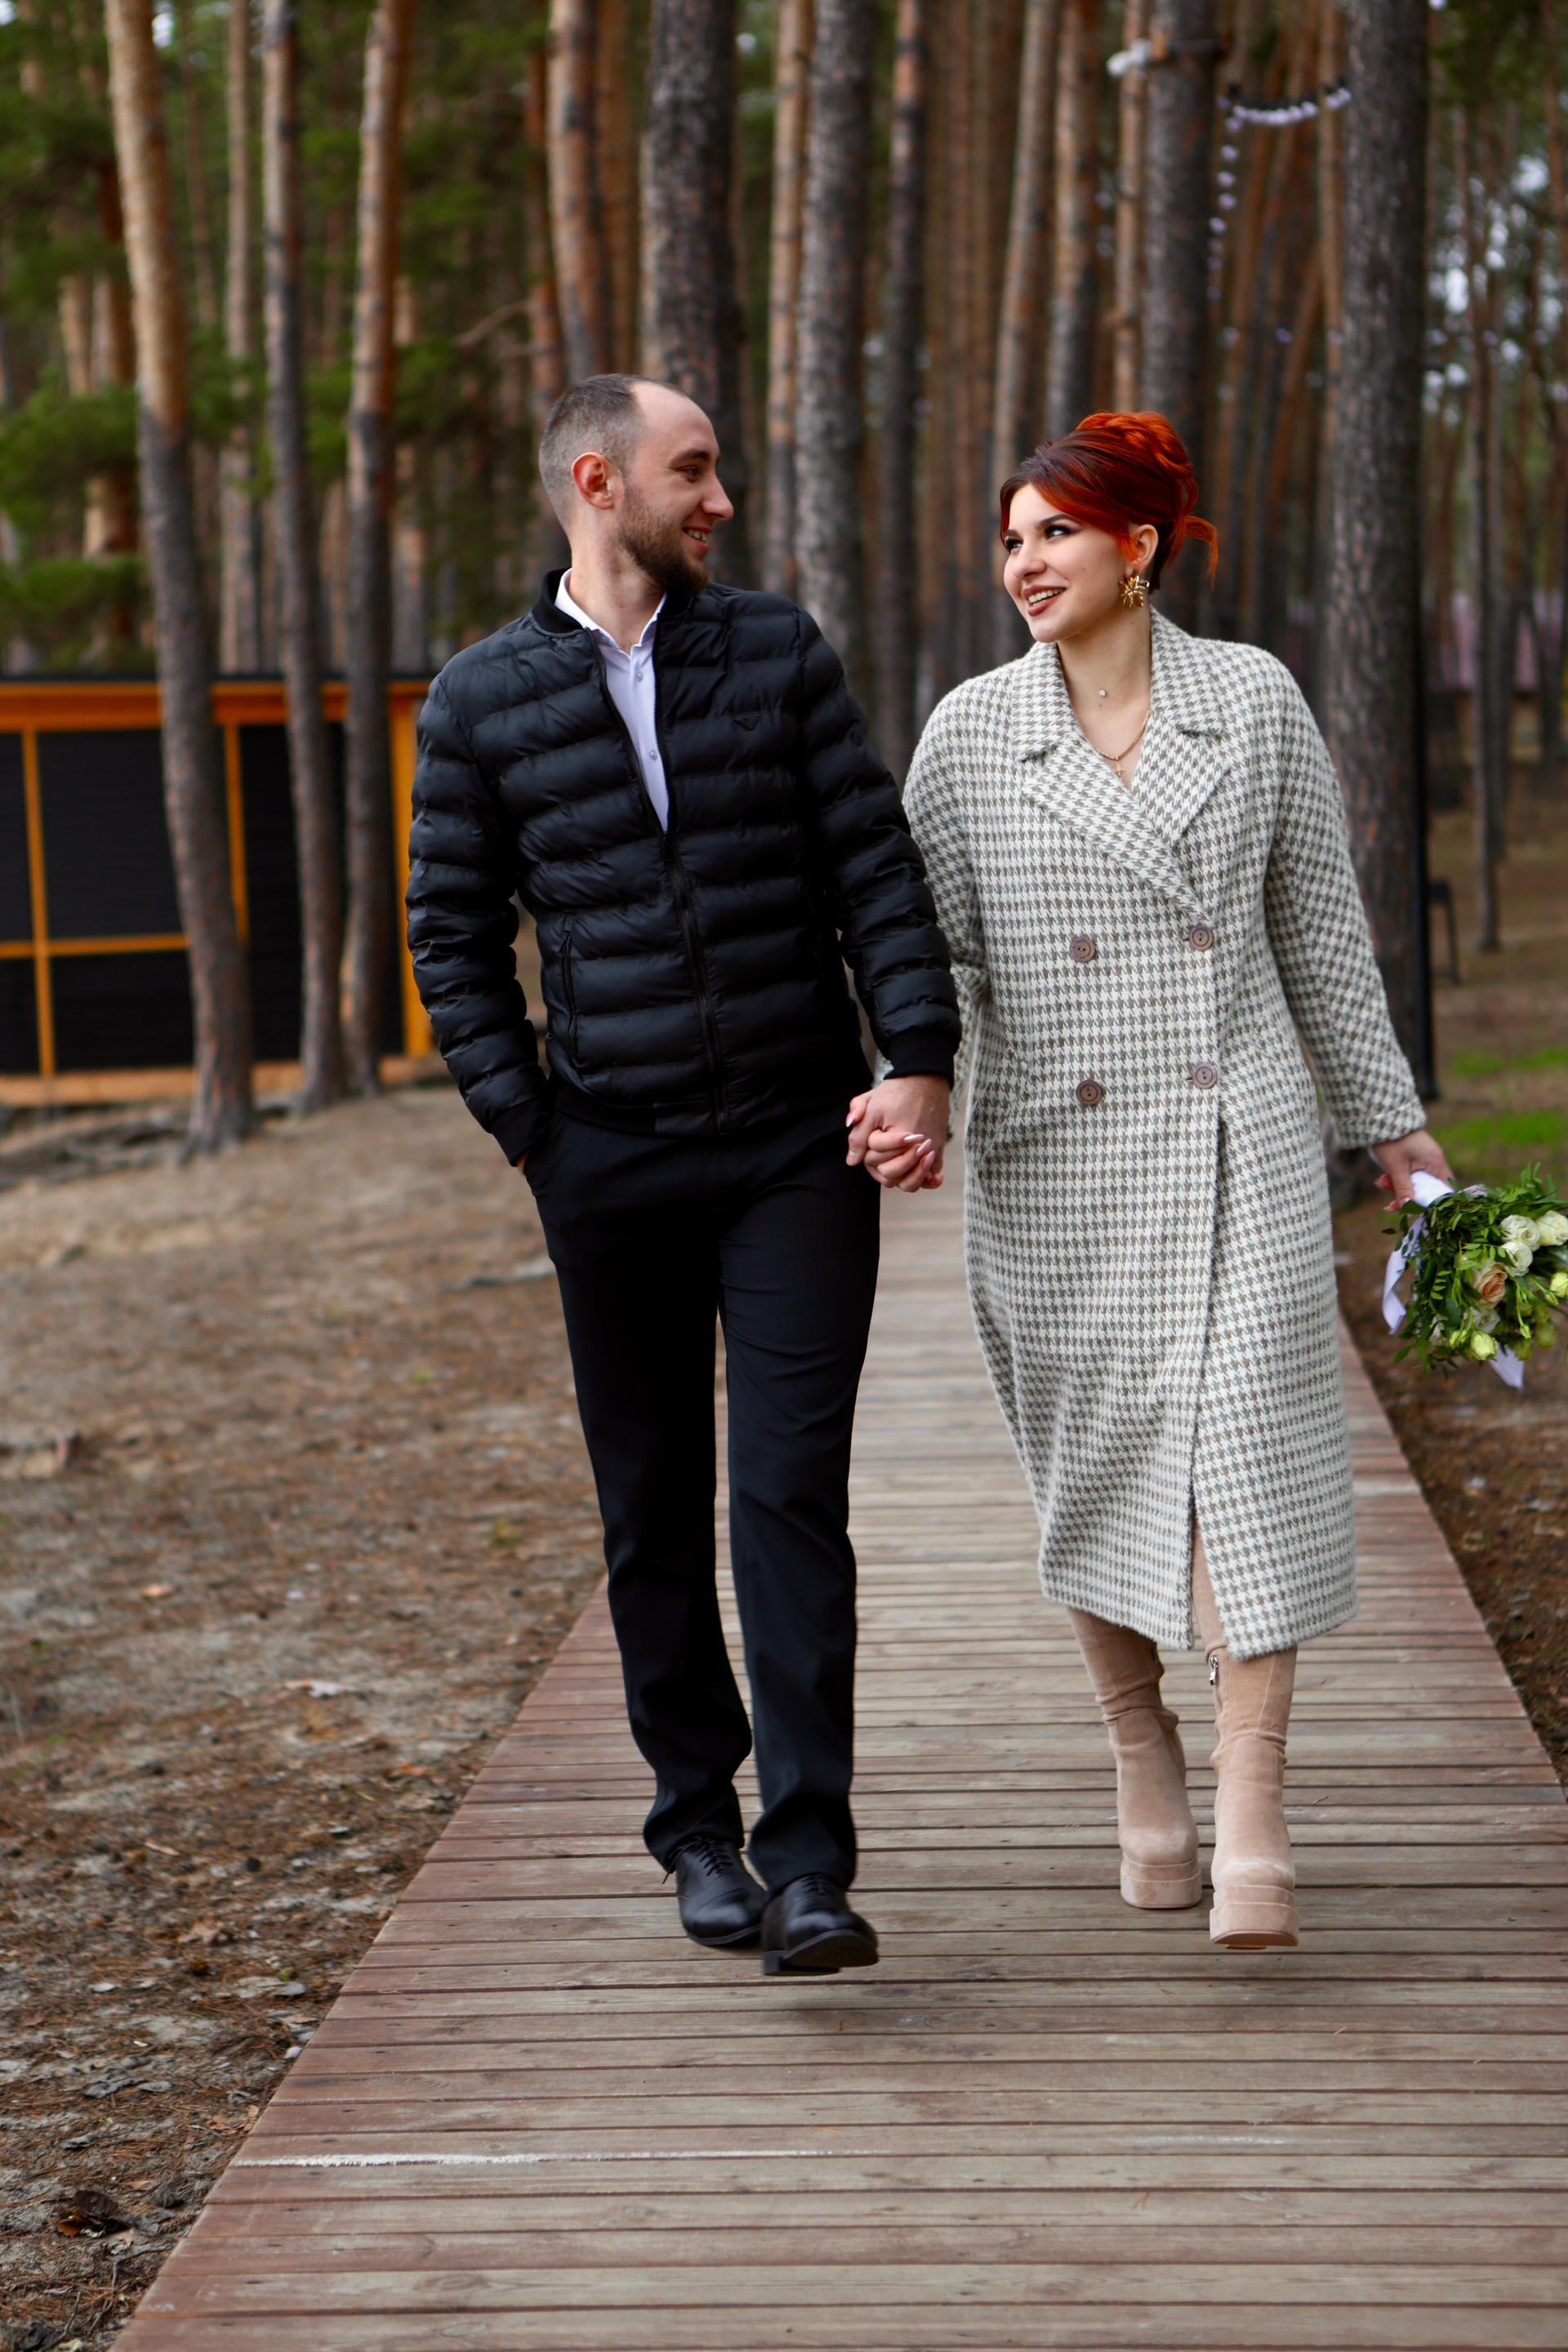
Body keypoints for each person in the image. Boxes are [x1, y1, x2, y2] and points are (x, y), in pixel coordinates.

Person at [405, 374, 959, 1976]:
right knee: (649, 1503)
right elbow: (451, 933)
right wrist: (534, 1130)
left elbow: (872, 866)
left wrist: (914, 1055)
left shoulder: (775, 652)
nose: (721, 499)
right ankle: (697, 1832)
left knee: (787, 1493)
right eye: (693, 470)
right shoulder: (480, 699)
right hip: (609, 1159)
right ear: (600, 482)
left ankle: (810, 1863)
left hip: (794, 1148)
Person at [898, 412, 1453, 1950]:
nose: (1024, 564)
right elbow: (928, 955)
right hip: (1057, 1158)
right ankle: (1142, 1755)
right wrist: (913, 1083)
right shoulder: (969, 735)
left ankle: (1256, 1807)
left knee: (1249, 1457)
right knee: (1097, 1459)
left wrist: (1393, 1127)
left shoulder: (1253, 700)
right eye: (1012, 540)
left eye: (1055, 534)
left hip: (1238, 1139)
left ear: (1136, 546)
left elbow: (1319, 931)